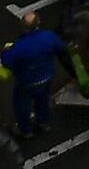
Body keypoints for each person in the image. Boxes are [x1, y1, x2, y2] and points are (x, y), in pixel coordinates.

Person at [1, 11, 65, 140]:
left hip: (26, 82)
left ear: (22, 26)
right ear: (38, 22)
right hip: (46, 77)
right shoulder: (49, 36)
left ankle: (26, 130)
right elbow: (61, 48)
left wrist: (6, 50)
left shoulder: (19, 46)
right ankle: (44, 123)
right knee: (43, 101)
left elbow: (7, 62)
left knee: (22, 105)